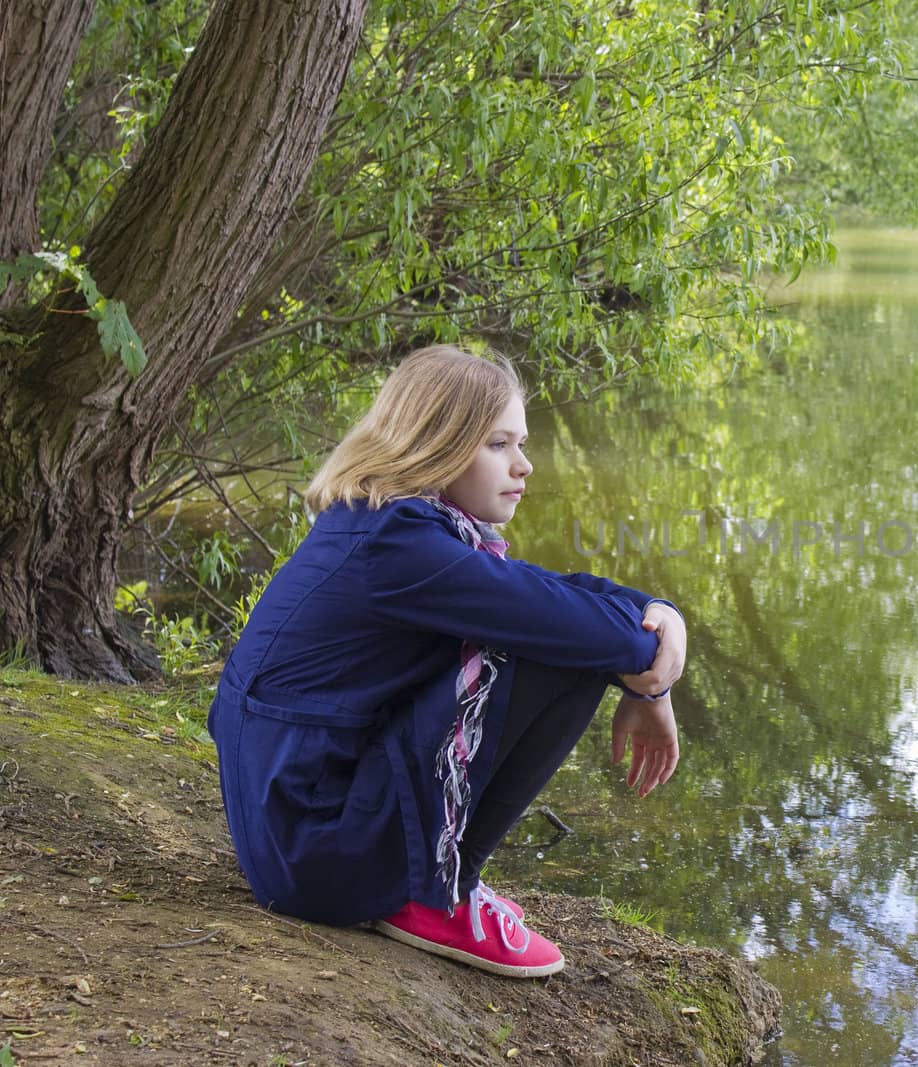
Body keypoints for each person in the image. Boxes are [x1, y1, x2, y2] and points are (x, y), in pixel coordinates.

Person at [207, 344, 684, 979]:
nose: (524, 465)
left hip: (297, 835)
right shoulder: (398, 548)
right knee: (559, 653)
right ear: (436, 445)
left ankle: (431, 878)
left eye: (521, 443)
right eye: (498, 445)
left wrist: (659, 610)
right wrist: (650, 670)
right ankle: (440, 894)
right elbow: (572, 626)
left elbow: (539, 591)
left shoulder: (380, 524)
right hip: (318, 856)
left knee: (546, 629)